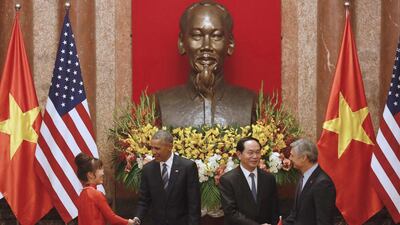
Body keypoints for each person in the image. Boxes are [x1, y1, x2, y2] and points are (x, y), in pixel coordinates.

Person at [156, 1, 256, 127]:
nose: (206, 46)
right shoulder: (162, 102)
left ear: (230, 43)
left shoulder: (251, 102)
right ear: (181, 42)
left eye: (216, 36)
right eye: (197, 36)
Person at [132, 130, 201, 225]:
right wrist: (137, 218)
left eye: (157, 148)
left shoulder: (187, 167)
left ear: (169, 147)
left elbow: (194, 204)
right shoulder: (148, 169)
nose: (153, 152)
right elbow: (144, 200)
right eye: (151, 148)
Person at [218, 137, 279, 225]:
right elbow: (231, 213)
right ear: (239, 154)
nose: (255, 156)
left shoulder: (269, 178)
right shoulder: (228, 180)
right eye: (250, 153)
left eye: (258, 152)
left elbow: (274, 209)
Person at [283, 139, 337, 225]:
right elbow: (294, 216)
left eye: (292, 155)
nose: (290, 158)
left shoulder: (323, 184)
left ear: (304, 158)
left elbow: (323, 221)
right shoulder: (303, 177)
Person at [74, 152, 134, 225]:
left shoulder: (82, 194)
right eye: (99, 169)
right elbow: (112, 218)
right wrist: (129, 222)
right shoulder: (96, 194)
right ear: (90, 175)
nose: (103, 172)